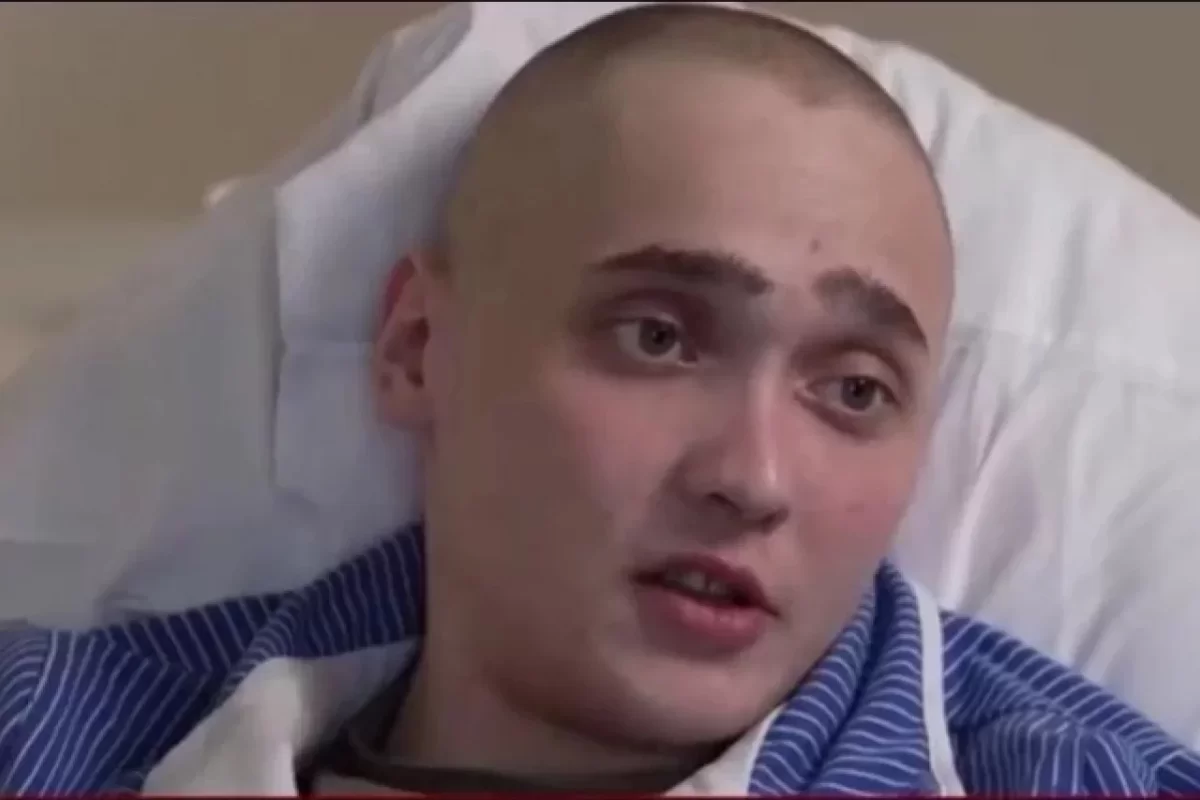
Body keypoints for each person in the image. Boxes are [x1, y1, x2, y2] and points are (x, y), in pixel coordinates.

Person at [2, 3, 1199, 795]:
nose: (753, 476)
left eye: (852, 387)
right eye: (660, 336)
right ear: (419, 347)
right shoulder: (40, 731)